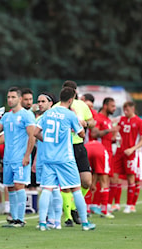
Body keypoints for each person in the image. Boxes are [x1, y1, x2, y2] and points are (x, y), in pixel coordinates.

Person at [35, 87, 96, 231]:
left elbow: (36, 132)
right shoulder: (69, 115)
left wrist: (48, 141)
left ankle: (43, 223)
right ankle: (85, 223)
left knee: (46, 189)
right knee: (75, 188)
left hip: (49, 157)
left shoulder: (47, 113)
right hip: (65, 158)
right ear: (71, 100)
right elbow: (81, 134)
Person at [0, 87, 36, 227]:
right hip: (8, 159)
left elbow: (32, 136)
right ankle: (14, 217)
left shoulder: (26, 115)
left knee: (19, 186)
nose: (10, 100)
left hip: (20, 158)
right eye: (8, 97)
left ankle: (20, 219)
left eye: (13, 97)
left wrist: (27, 155)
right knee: (10, 187)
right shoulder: (6, 116)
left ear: (19, 99)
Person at [54, 80, 95, 227]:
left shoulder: (81, 105)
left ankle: (72, 208)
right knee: (66, 184)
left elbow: (92, 122)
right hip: (64, 147)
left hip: (78, 146)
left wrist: (86, 123)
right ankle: (68, 217)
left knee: (86, 181)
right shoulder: (57, 107)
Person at [32, 92, 63, 229]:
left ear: (51, 103)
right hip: (44, 158)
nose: (40, 104)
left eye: (43, 101)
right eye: (38, 101)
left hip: (52, 158)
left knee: (52, 189)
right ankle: (54, 220)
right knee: (50, 189)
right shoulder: (41, 119)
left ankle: (53, 219)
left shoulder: (47, 119)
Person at [113, 101, 142, 213]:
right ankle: (116, 204)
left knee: (133, 178)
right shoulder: (122, 120)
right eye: (124, 110)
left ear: (133, 109)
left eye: (127, 110)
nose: (125, 112)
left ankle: (131, 205)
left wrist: (132, 149)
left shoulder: (140, 122)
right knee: (115, 176)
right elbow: (115, 131)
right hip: (121, 152)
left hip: (135, 154)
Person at [89, 97, 118, 213]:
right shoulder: (98, 118)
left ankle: (95, 205)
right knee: (101, 180)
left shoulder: (108, 120)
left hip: (107, 152)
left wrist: (113, 138)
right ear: (105, 106)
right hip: (100, 152)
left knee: (98, 179)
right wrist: (110, 131)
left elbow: (106, 137)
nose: (114, 109)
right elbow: (95, 133)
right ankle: (103, 209)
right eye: (112, 106)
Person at [84, 140, 115, 218]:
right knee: (104, 181)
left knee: (85, 179)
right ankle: (104, 210)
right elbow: (98, 171)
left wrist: (92, 184)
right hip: (100, 150)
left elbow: (94, 172)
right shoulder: (104, 146)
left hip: (86, 149)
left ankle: (86, 209)